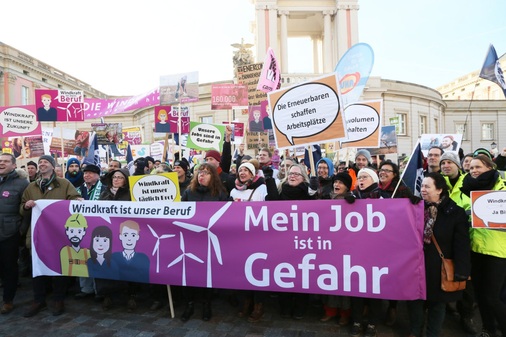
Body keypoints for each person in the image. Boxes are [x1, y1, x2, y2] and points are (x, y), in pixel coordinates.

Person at [407, 172, 470, 337]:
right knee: (415, 301)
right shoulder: (416, 208)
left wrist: (462, 270)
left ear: (440, 189)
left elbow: (462, 245)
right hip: (417, 265)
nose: (423, 190)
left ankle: (432, 334)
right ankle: (415, 331)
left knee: (437, 304)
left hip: (438, 267)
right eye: (422, 186)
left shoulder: (455, 212)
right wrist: (410, 206)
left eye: (428, 186)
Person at [21, 154, 81, 317]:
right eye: (40, 162)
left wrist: (77, 200)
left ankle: (58, 299)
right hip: (36, 235)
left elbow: (74, 200)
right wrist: (26, 206)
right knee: (37, 268)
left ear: (53, 166)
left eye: (45, 162)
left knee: (59, 267)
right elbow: (22, 208)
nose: (42, 164)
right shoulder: (31, 187)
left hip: (57, 234)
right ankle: (38, 300)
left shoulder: (64, 184)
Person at [459, 154, 506, 337]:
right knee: (480, 295)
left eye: (478, 167)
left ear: (489, 167)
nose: (474, 171)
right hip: (475, 249)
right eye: (471, 168)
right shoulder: (467, 190)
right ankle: (488, 330)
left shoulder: (501, 188)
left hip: (498, 251)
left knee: (492, 297)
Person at [264, 163, 317, 320]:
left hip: (303, 242)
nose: (292, 176)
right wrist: (268, 179)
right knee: (284, 273)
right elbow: (273, 201)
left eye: (297, 174)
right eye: (290, 174)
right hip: (282, 242)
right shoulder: (281, 191)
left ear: (303, 178)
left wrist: (313, 191)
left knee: (302, 275)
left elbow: (315, 205)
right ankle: (285, 306)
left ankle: (300, 306)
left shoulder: (307, 192)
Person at [371, 160, 420, 327]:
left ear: (394, 175)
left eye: (387, 170)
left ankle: (392, 307)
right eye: (381, 170)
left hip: (396, 241)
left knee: (393, 275)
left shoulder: (402, 190)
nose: (383, 172)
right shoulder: (374, 191)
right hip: (376, 242)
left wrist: (414, 203)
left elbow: (412, 213)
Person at [180, 163, 231, 322]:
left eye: (206, 173)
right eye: (200, 172)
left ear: (213, 177)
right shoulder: (189, 192)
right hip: (191, 240)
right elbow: (180, 214)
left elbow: (228, 217)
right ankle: (189, 304)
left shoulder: (221, 194)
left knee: (207, 274)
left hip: (210, 240)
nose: (202, 175)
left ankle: (206, 304)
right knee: (189, 274)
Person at [230, 161, 267, 322]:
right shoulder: (233, 190)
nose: (242, 172)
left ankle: (258, 304)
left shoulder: (261, 188)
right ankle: (245, 302)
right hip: (239, 238)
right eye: (240, 170)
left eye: (246, 170)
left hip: (257, 237)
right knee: (241, 270)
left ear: (253, 174)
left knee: (257, 270)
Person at [350, 168, 381, 337]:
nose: (361, 180)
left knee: (375, 288)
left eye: (365, 177)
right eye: (359, 177)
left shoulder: (382, 197)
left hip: (376, 251)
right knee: (357, 286)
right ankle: (356, 320)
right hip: (356, 250)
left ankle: (372, 322)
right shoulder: (353, 197)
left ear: (373, 179)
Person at [320, 172, 354, 326]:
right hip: (328, 245)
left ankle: (345, 313)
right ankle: (330, 310)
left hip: (346, 246)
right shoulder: (325, 198)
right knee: (329, 278)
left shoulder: (353, 199)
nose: (337, 185)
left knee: (344, 281)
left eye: (341, 182)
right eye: (335, 182)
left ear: (347, 186)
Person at [0, 153, 29, 315]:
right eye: (0, 161)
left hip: (10, 233)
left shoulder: (21, 183)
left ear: (13, 165)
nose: (1, 164)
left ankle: (8, 300)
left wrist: (21, 230)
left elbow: (26, 210)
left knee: (9, 267)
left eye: (5, 161)